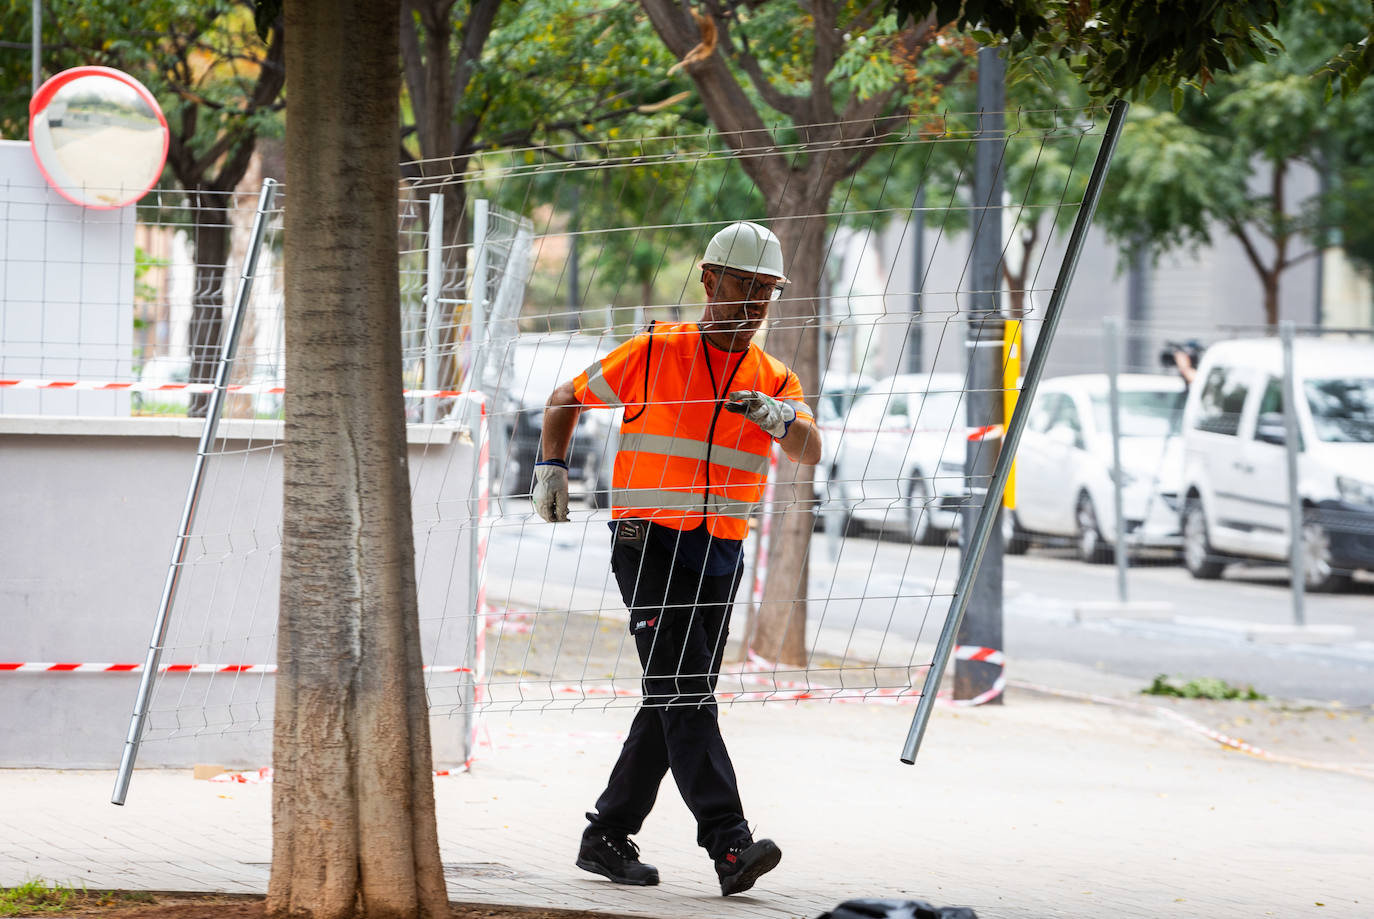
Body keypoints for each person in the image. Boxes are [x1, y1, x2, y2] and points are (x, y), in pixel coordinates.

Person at [531, 221, 822, 897]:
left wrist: (778, 418)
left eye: (765, 294)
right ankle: (729, 845)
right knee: (685, 692)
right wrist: (551, 466)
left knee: (677, 694)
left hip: (720, 551)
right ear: (708, 279)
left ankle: (606, 834)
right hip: (648, 543)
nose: (752, 305)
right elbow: (564, 399)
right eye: (742, 287)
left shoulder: (774, 377)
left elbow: (809, 448)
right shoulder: (656, 351)